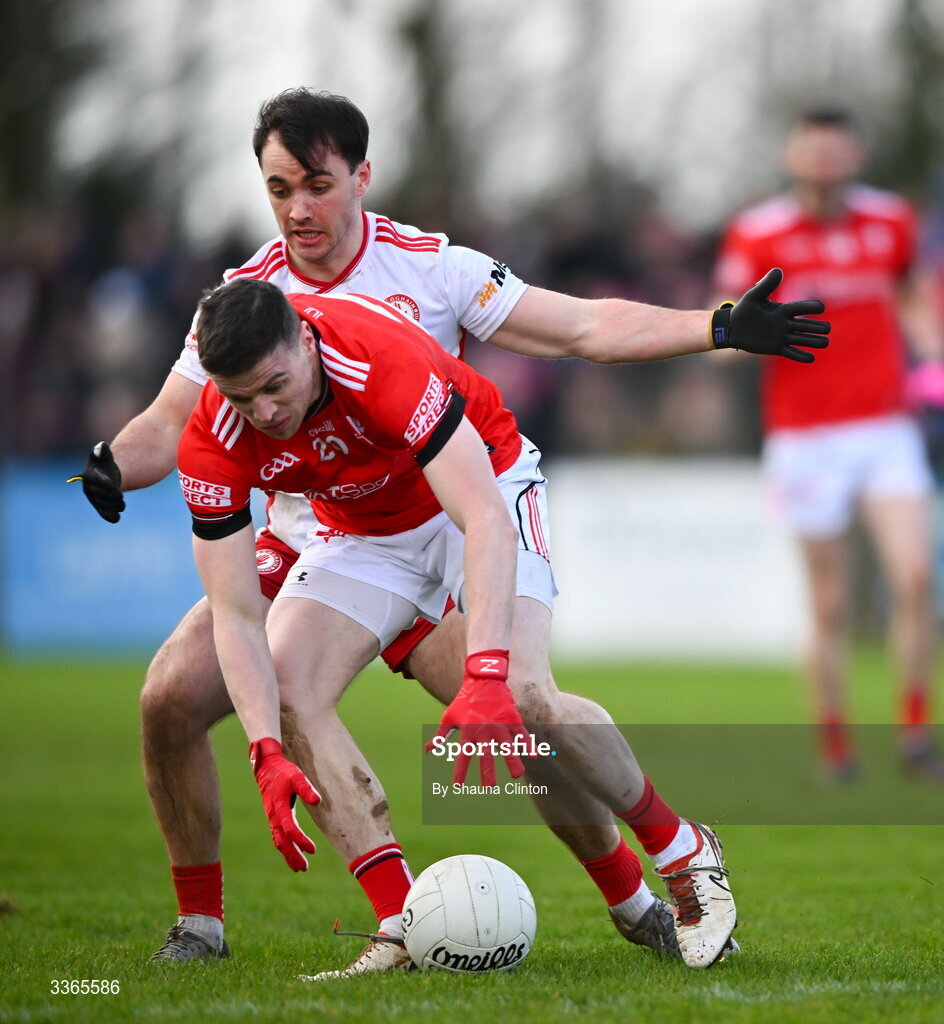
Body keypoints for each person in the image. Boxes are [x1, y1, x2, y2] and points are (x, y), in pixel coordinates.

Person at [72, 89, 827, 972]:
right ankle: (343, 925)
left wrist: (720, 324)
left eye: (316, 184)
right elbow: (172, 424)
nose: (298, 208)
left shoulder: (422, 279)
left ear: (362, 176)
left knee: (520, 712)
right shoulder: (241, 308)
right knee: (203, 694)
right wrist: (114, 461)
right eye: (279, 188)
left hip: (460, 502)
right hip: (332, 530)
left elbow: (579, 328)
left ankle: (659, 870)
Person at [180, 277, 744, 973]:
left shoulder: (378, 360)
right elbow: (235, 614)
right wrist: (265, 749)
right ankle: (400, 924)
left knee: (527, 696)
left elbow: (481, 517)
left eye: (275, 385)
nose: (263, 411)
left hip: (481, 491)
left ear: (305, 339)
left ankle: (682, 850)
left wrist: (484, 674)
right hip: (362, 533)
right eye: (241, 397)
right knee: (289, 682)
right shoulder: (213, 434)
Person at [714, 107, 944, 781]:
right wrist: (738, 336)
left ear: (855, 155)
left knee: (916, 576)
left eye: (836, 151)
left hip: (885, 427)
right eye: (813, 152)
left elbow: (909, 295)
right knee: (831, 602)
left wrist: (931, 357)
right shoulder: (760, 232)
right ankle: (837, 745)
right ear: (793, 157)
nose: (825, 163)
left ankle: (912, 733)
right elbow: (720, 326)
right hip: (805, 439)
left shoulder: (891, 220)